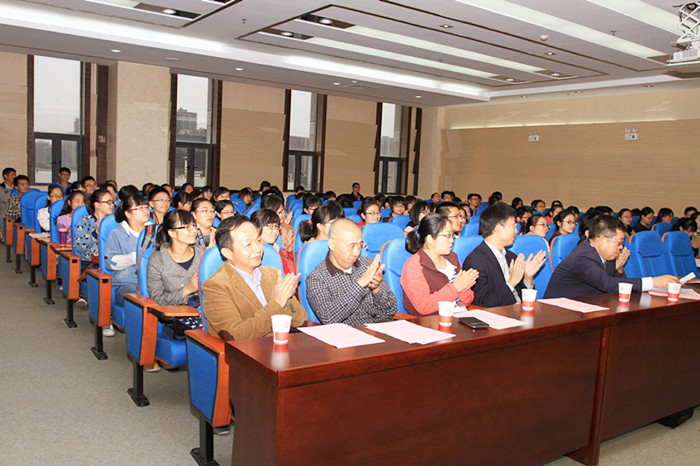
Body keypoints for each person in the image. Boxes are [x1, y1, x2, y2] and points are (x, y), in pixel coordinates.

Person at [202, 216, 307, 341]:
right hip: (248, 351)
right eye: (248, 244)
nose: (258, 249)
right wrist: (277, 304)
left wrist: (287, 298)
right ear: (227, 253)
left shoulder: (273, 274)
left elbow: (301, 321)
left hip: (284, 345)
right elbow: (235, 335)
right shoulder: (215, 286)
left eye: (258, 241)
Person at [545, 215, 678, 298]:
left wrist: (619, 268)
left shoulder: (606, 255)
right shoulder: (583, 256)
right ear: (603, 239)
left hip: (587, 307)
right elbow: (608, 285)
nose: (620, 247)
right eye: (619, 243)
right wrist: (653, 282)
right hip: (559, 314)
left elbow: (619, 285)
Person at [306, 219, 396, 324]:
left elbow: (390, 311)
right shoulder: (317, 278)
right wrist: (360, 285)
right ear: (332, 244)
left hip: (380, 328)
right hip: (349, 332)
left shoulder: (368, 265)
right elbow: (328, 318)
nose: (357, 252)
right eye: (351, 246)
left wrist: (377, 290)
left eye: (360, 245)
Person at [463, 203, 546, 308]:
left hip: (518, 311)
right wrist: (512, 282)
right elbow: (483, 303)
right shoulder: (475, 261)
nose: (516, 231)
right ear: (498, 227)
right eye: (513, 225)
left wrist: (528, 277)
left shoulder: (511, 257)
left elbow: (523, 299)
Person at [400, 213, 478, 316]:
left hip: (459, 316)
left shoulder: (452, 258)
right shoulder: (414, 266)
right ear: (430, 239)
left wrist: (465, 286)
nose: (452, 240)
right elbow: (424, 306)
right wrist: (456, 288)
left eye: (452, 235)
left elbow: (467, 301)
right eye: (447, 236)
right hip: (430, 321)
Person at [147, 209, 204, 340]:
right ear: (172, 232)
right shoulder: (157, 261)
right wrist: (186, 290)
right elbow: (157, 301)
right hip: (176, 318)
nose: (193, 231)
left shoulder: (203, 254)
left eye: (194, 226)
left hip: (206, 311)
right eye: (186, 227)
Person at [105, 193, 151, 311]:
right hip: (127, 284)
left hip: (153, 282)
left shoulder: (155, 232)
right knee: (140, 297)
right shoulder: (117, 234)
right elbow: (110, 263)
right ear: (128, 213)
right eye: (140, 208)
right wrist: (135, 257)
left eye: (146, 207)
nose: (145, 211)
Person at [74, 188, 114, 266]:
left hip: (111, 262)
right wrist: (96, 232)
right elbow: (79, 246)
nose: (112, 205)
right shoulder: (85, 221)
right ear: (97, 204)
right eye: (108, 202)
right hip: (91, 263)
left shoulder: (113, 222)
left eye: (112, 202)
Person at [251, 209, 295, 274]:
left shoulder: (275, 248)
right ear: (257, 227)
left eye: (276, 226)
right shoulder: (254, 252)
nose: (275, 231)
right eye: (270, 226)